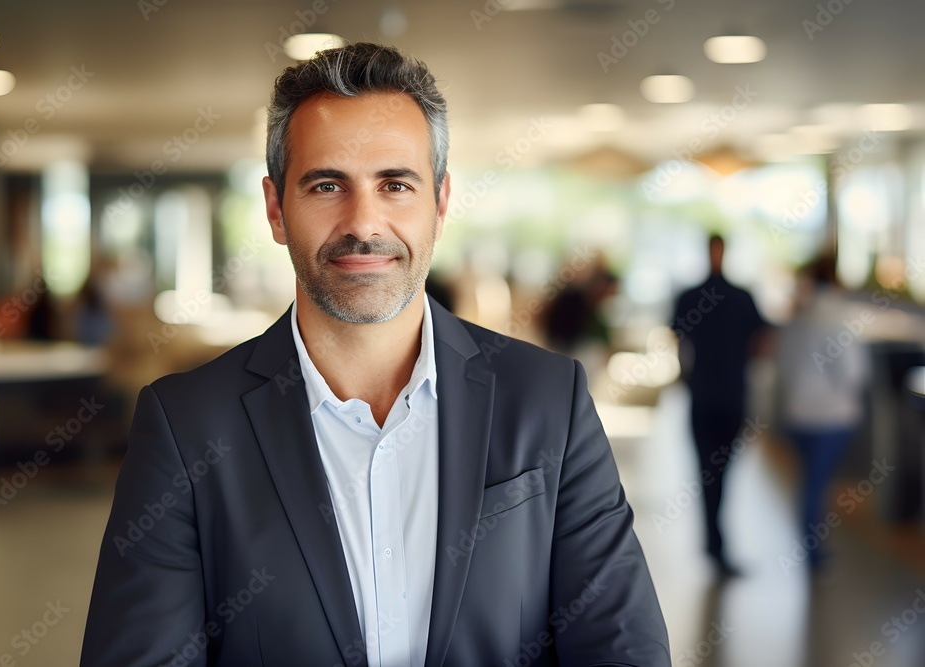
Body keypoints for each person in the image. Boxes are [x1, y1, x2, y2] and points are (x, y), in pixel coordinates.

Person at [81, 43, 669, 667]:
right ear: (277, 209)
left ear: (439, 205)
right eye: (327, 184)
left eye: (395, 184)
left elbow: (621, 648)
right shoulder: (186, 425)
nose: (364, 222)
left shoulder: (551, 400)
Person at [672, 234, 769, 577]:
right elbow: (762, 342)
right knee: (715, 473)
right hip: (723, 396)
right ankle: (715, 544)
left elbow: (679, 341)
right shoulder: (740, 298)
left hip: (713, 396)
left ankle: (714, 542)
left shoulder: (693, 297)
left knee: (713, 473)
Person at [777, 257, 868, 569]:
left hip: (797, 415)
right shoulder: (840, 318)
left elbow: (783, 366)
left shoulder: (799, 317)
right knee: (817, 485)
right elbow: (854, 372)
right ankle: (813, 553)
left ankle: (811, 546)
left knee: (810, 483)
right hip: (831, 417)